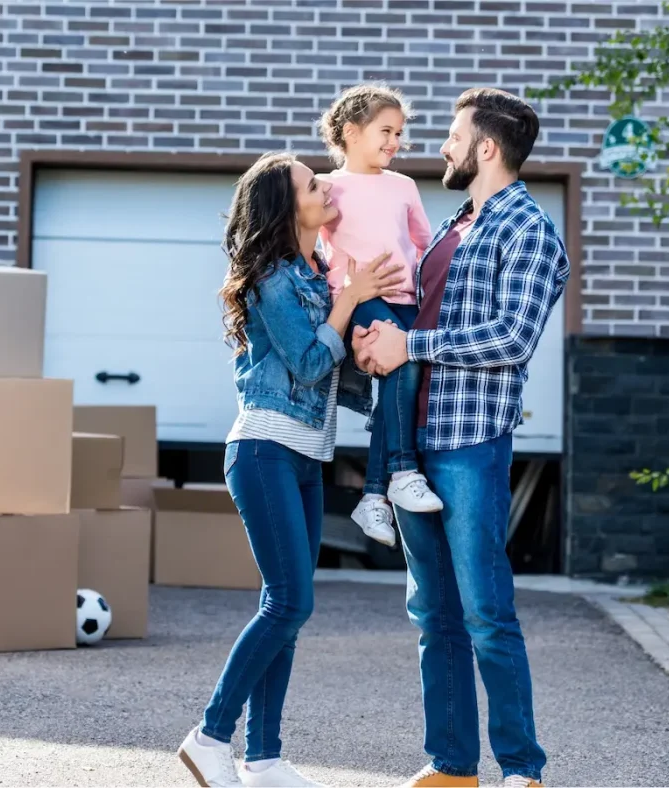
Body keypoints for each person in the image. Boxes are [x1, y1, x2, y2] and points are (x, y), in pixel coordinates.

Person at [353, 88, 570, 788]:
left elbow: (511, 338)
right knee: (432, 613)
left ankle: (521, 770)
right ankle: (452, 766)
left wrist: (409, 344)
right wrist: (377, 340)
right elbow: (413, 318)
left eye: (452, 135)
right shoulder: (453, 225)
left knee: (484, 609)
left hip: (470, 442)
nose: (440, 147)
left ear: (486, 147)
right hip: (412, 445)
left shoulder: (529, 229)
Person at [177, 151, 409, 788]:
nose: (326, 186)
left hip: (307, 457)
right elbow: (308, 364)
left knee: (288, 608)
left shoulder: (318, 272)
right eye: (313, 183)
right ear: (288, 207)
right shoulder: (273, 278)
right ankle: (210, 734)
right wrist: (352, 303)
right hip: (264, 451)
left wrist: (370, 346)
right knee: (289, 603)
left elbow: (336, 377)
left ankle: (266, 759)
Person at [316, 83, 445, 550]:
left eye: (400, 133)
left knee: (401, 381)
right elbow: (309, 241)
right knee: (402, 367)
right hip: (360, 299)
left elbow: (424, 246)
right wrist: (341, 301)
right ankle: (402, 472)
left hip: (405, 299)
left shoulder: (404, 186)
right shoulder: (328, 188)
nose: (395, 142)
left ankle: (374, 495)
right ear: (351, 132)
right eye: (385, 131)